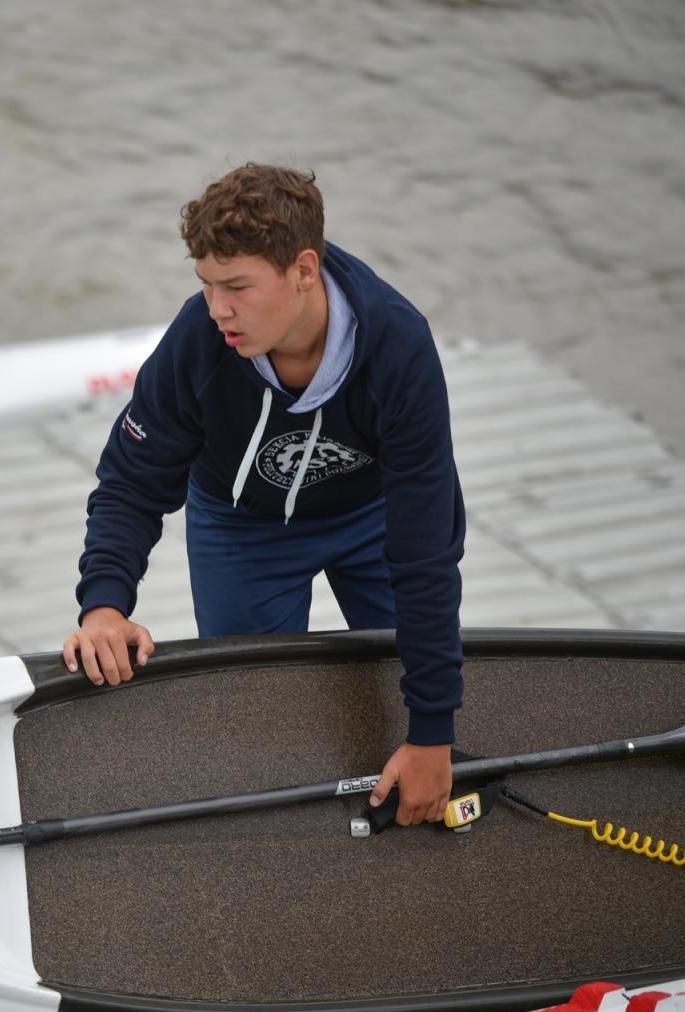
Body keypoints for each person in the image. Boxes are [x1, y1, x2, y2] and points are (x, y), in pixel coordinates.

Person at [62, 162, 465, 829]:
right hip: (240, 525)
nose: (217, 308)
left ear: (304, 270)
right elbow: (132, 480)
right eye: (206, 284)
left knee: (420, 700)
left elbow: (427, 551)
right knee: (253, 726)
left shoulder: (398, 345)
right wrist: (104, 605)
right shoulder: (198, 340)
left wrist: (431, 736)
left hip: (371, 518)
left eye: (237, 287)